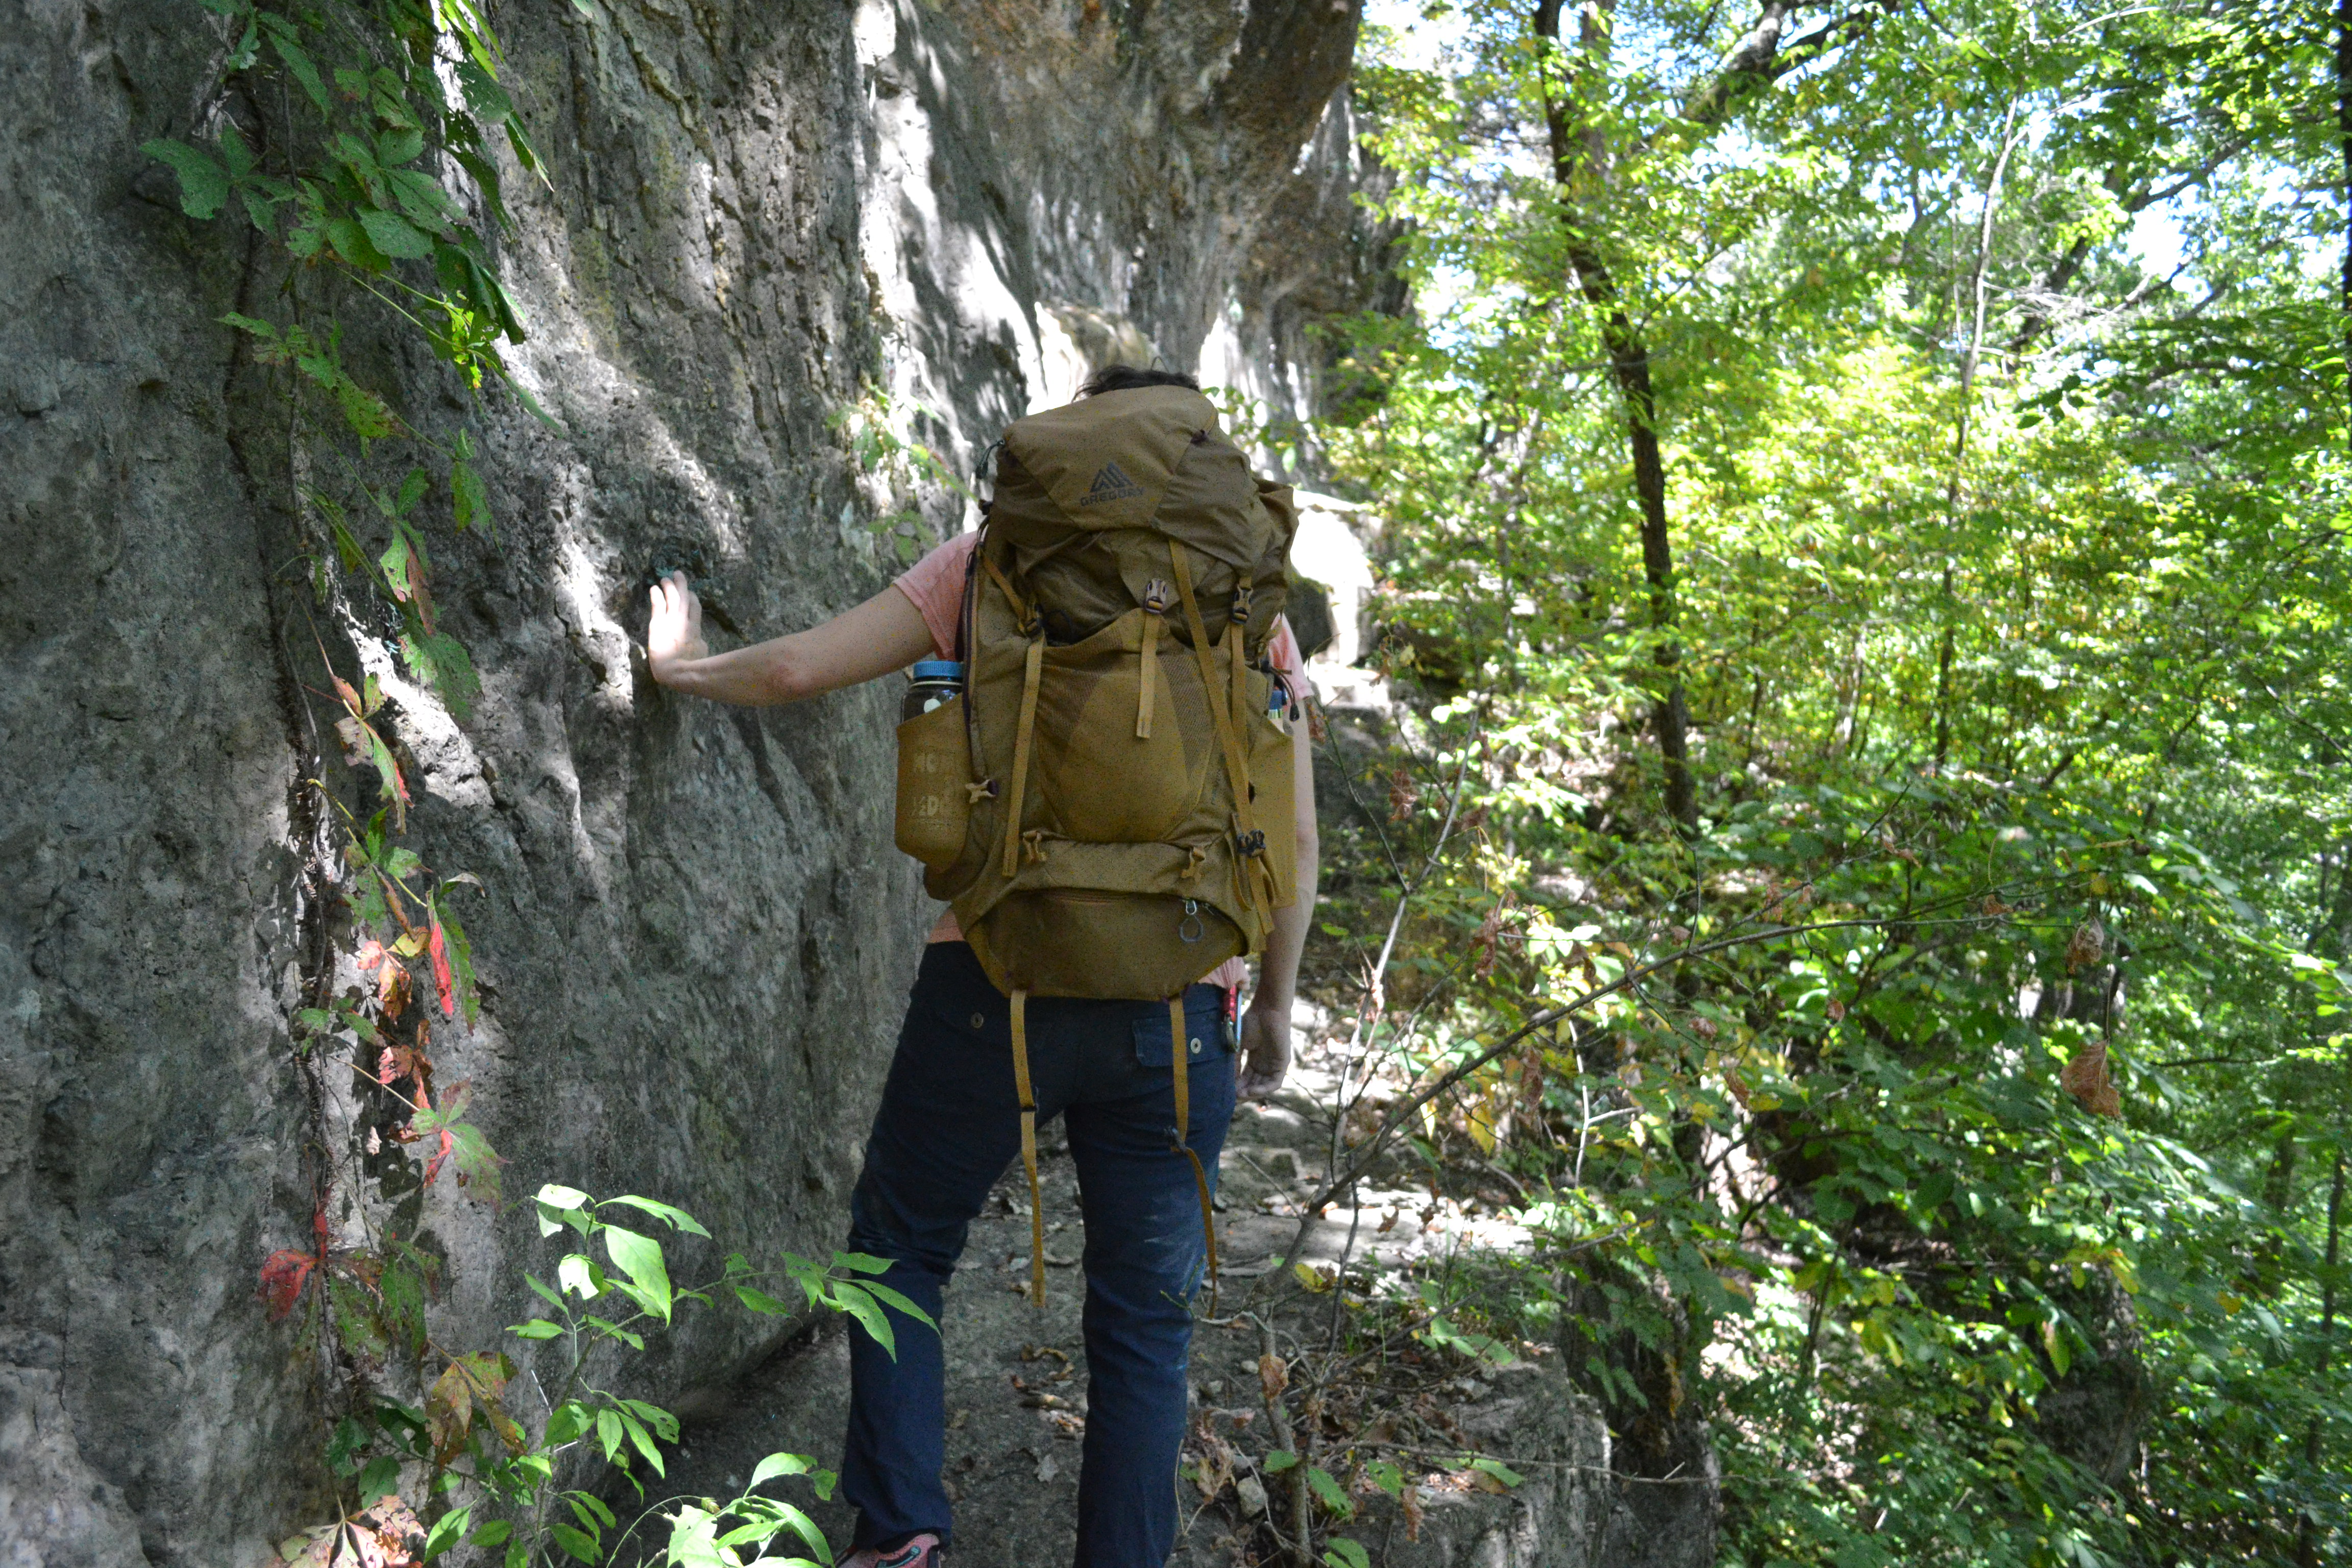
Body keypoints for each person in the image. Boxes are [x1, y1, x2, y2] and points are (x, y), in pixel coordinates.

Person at [645, 365, 1319, 1568]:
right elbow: (1295, 833)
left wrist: (682, 667)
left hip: (992, 985)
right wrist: (1270, 1006)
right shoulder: (1244, 599)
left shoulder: (994, 563)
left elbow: (800, 670)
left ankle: (902, 1533)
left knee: (901, 1246)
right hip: (1180, 1008)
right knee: (1145, 1325)